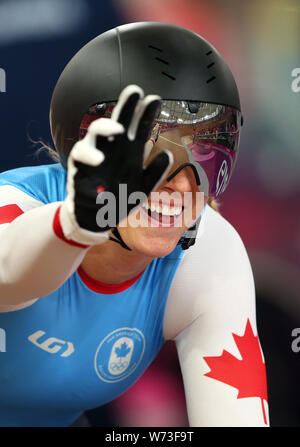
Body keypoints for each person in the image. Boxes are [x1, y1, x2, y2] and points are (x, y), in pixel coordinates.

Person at [0, 22, 269, 427]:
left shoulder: (210, 252)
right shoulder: (13, 203)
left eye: (204, 153)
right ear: (82, 152)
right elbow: (9, 279)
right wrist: (76, 223)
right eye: (149, 153)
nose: (179, 184)